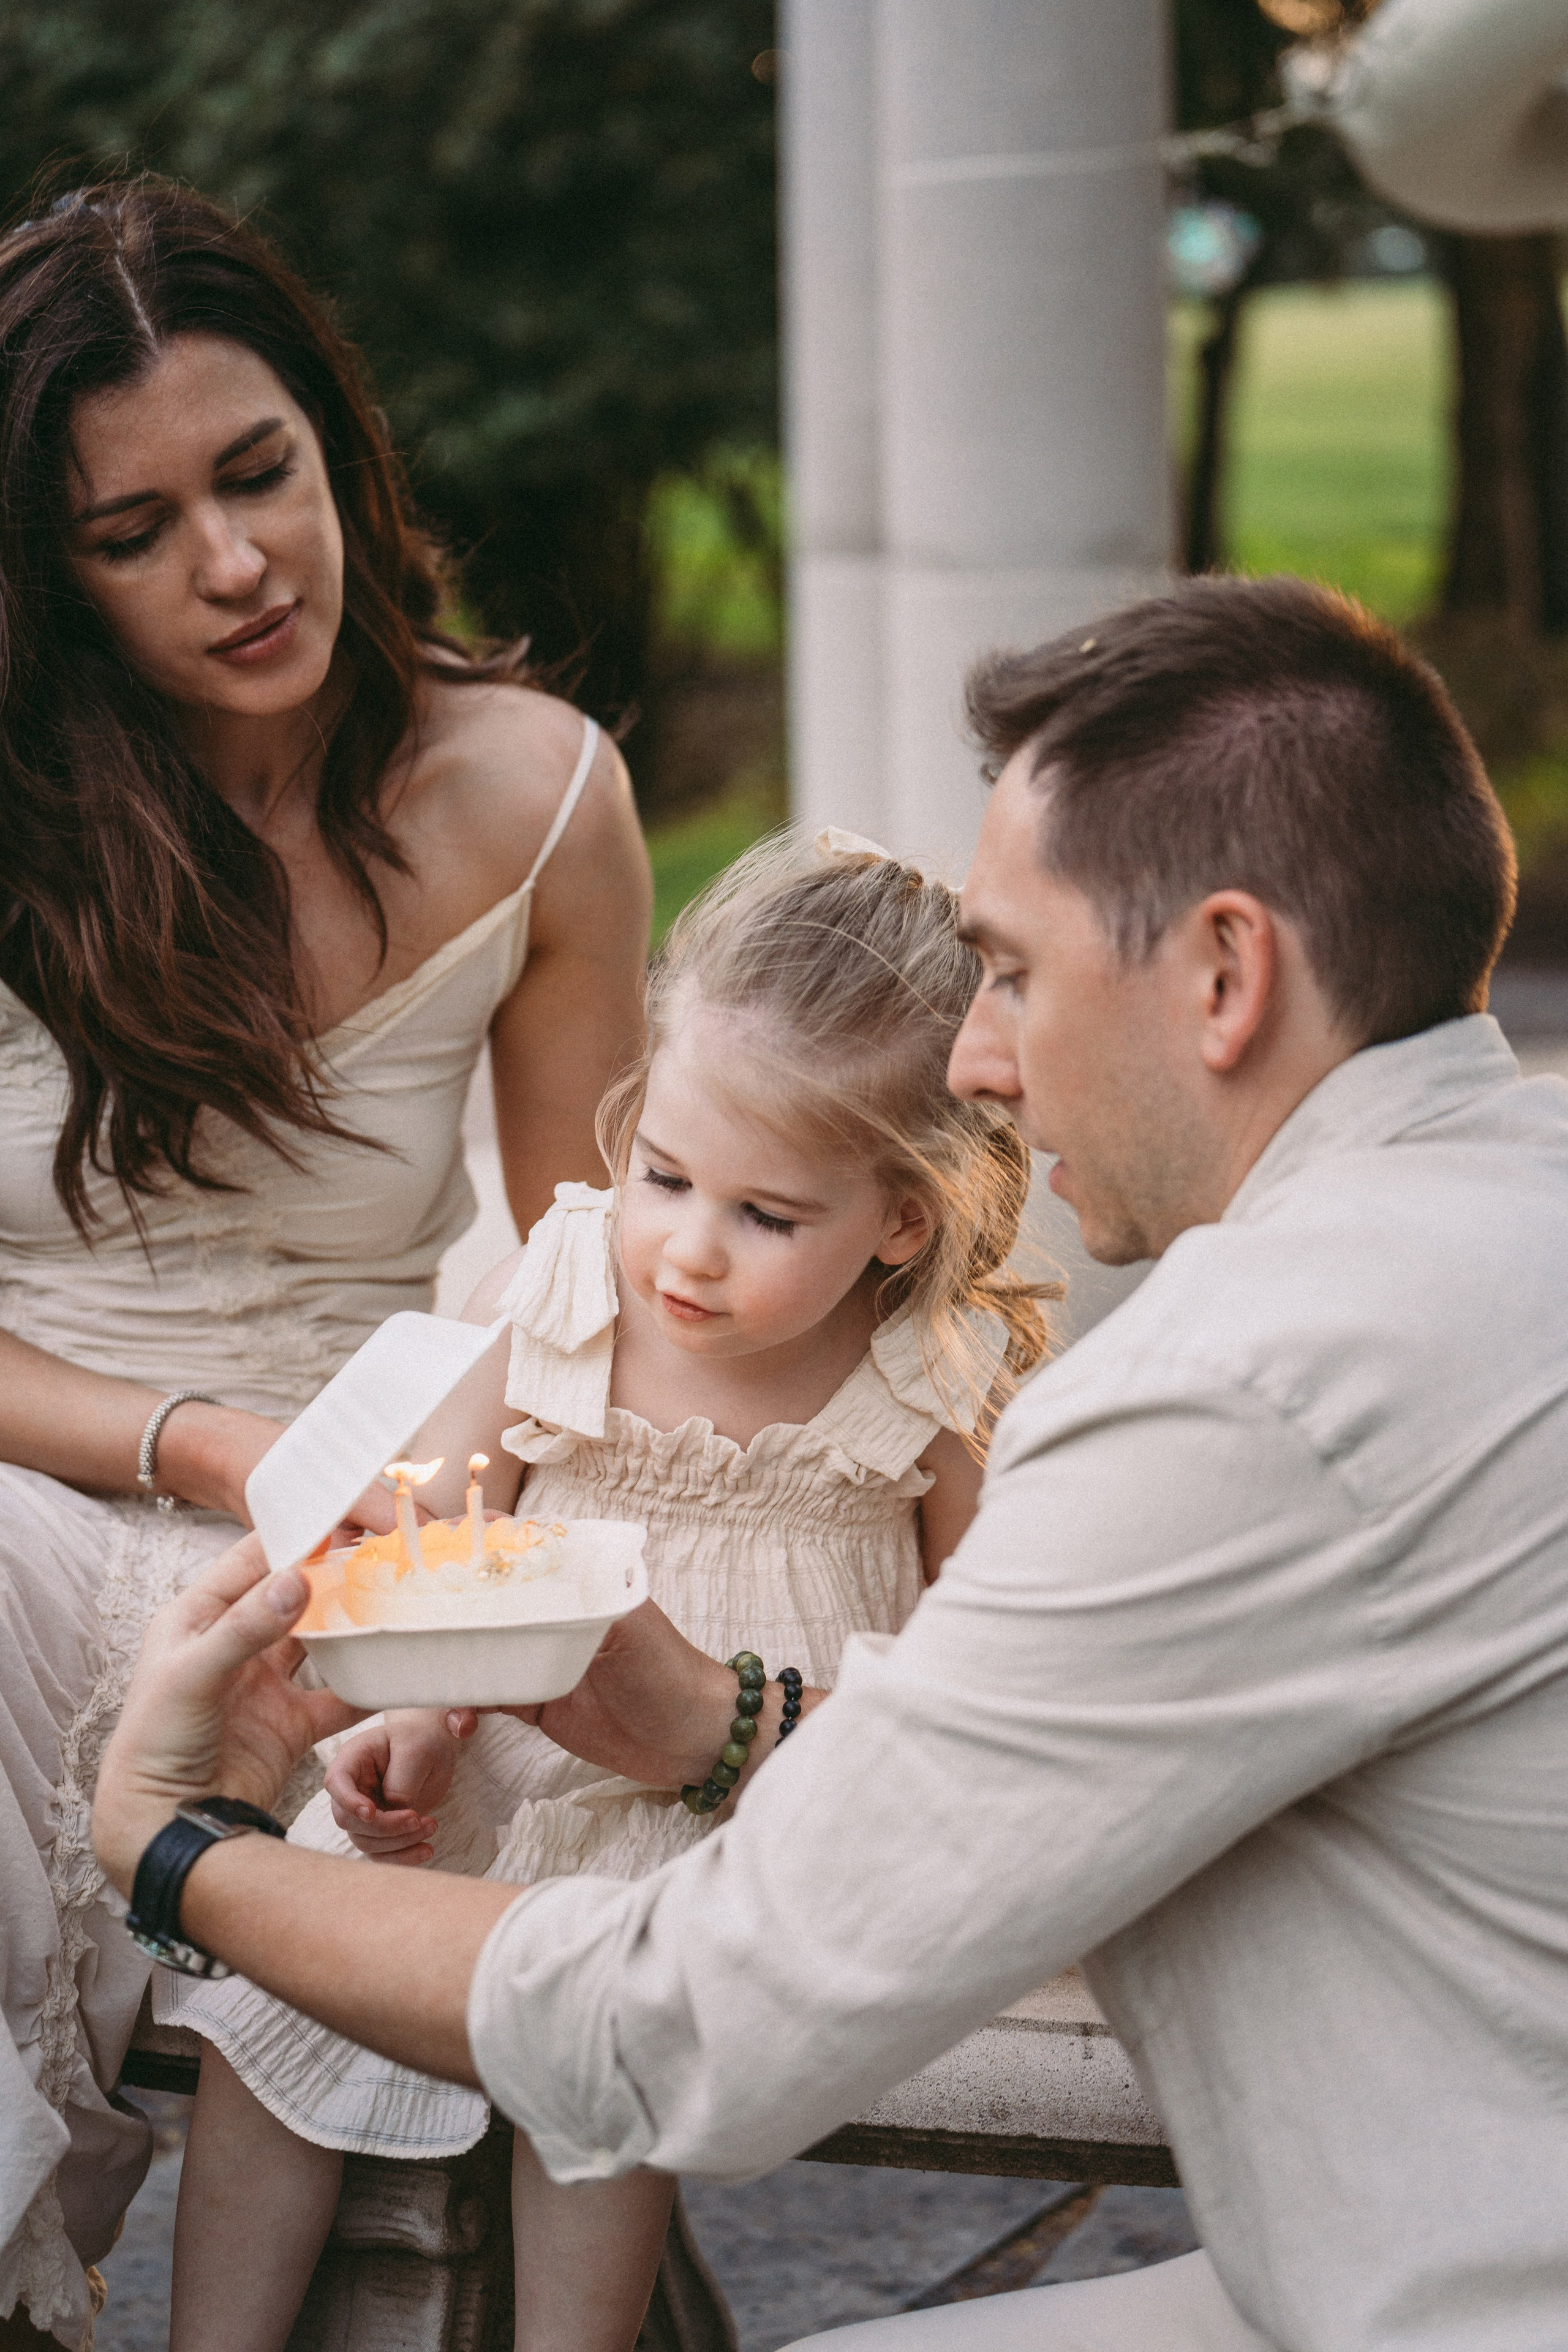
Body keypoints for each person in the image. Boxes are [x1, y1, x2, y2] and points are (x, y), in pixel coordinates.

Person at [91, 578, 1568, 2351]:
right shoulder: (1512, 1208)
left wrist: (182, 1853)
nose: (975, 1059)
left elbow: (684, 2029)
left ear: (1228, 974)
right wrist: (697, 1725)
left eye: (1013, 972)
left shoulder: (1239, 1391)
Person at [0, 178, 649, 2346]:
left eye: (259, 473)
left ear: (341, 446)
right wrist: (196, 1440)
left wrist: (443, 1567)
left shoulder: (531, 792)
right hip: (65, 1463)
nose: (236, 562)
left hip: (361, 1509)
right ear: (49, 577)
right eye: (134, 529)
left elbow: (585, 1293)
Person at [165, 833, 1052, 2352]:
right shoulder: (568, 1284)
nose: (688, 1252)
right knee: (272, 2004)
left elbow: (991, 1664)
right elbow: (430, 1543)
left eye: (767, 1218)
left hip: (734, 1821)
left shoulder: (926, 1382)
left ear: (901, 1218)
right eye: (665, 1176)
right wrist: (420, 1718)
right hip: (499, 1769)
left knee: (611, 2040)